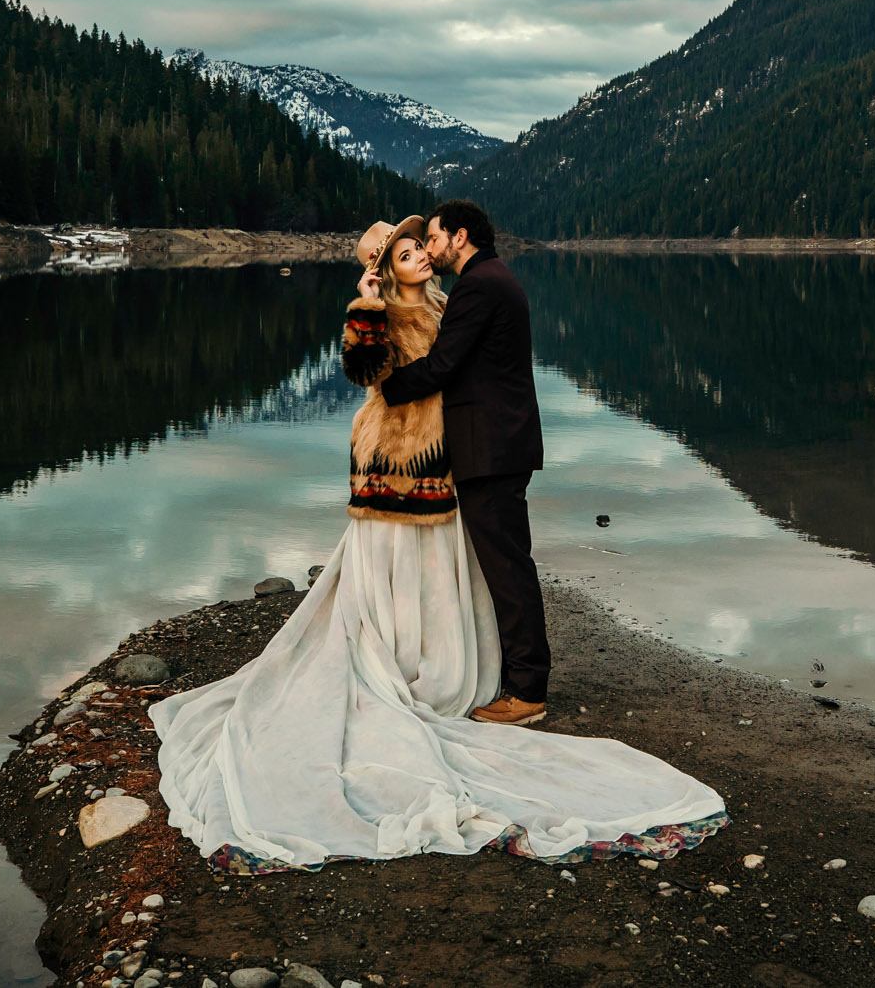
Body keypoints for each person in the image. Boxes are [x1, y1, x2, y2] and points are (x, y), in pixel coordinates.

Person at [146, 217, 725, 876]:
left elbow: (461, 369)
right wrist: (365, 301)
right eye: (405, 249)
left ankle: (451, 665)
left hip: (443, 464)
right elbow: (361, 369)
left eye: (422, 244)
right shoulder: (377, 306)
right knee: (392, 574)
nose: (421, 254)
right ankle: (399, 666)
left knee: (441, 575)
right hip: (393, 461)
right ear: (384, 264)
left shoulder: (449, 302)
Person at [380, 199, 549, 725]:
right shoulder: (494, 278)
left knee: (507, 567)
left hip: (491, 447)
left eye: (432, 238)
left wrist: (387, 387)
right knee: (507, 561)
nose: (430, 249)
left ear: (458, 237)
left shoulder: (478, 285)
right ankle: (517, 677)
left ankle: (526, 692)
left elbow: (442, 365)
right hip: (501, 443)